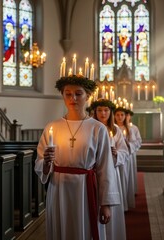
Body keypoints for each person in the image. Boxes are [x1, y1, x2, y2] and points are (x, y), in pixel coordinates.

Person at [35, 74, 120, 240]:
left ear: (88, 96)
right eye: (67, 94)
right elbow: (40, 162)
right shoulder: (52, 127)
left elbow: (105, 168)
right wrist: (46, 163)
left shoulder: (98, 129)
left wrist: (106, 204)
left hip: (85, 189)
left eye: (78, 93)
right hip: (59, 188)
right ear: (62, 95)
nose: (72, 98)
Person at [91, 99, 128, 240]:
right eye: (99, 110)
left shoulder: (115, 130)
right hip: (93, 173)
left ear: (110, 112)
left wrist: (116, 154)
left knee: (109, 206)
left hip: (111, 172)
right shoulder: (90, 127)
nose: (103, 113)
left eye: (106, 110)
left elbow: (124, 152)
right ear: (95, 111)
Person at [114, 107, 134, 210]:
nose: (120, 117)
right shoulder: (113, 128)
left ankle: (124, 202)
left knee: (124, 179)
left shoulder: (130, 128)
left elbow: (136, 142)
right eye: (117, 115)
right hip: (114, 159)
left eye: (122, 115)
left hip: (125, 157)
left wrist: (128, 144)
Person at [126, 110, 142, 195]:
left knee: (130, 173)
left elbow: (139, 141)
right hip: (118, 155)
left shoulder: (134, 128)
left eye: (124, 115)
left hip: (129, 154)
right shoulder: (115, 127)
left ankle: (131, 191)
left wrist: (129, 145)